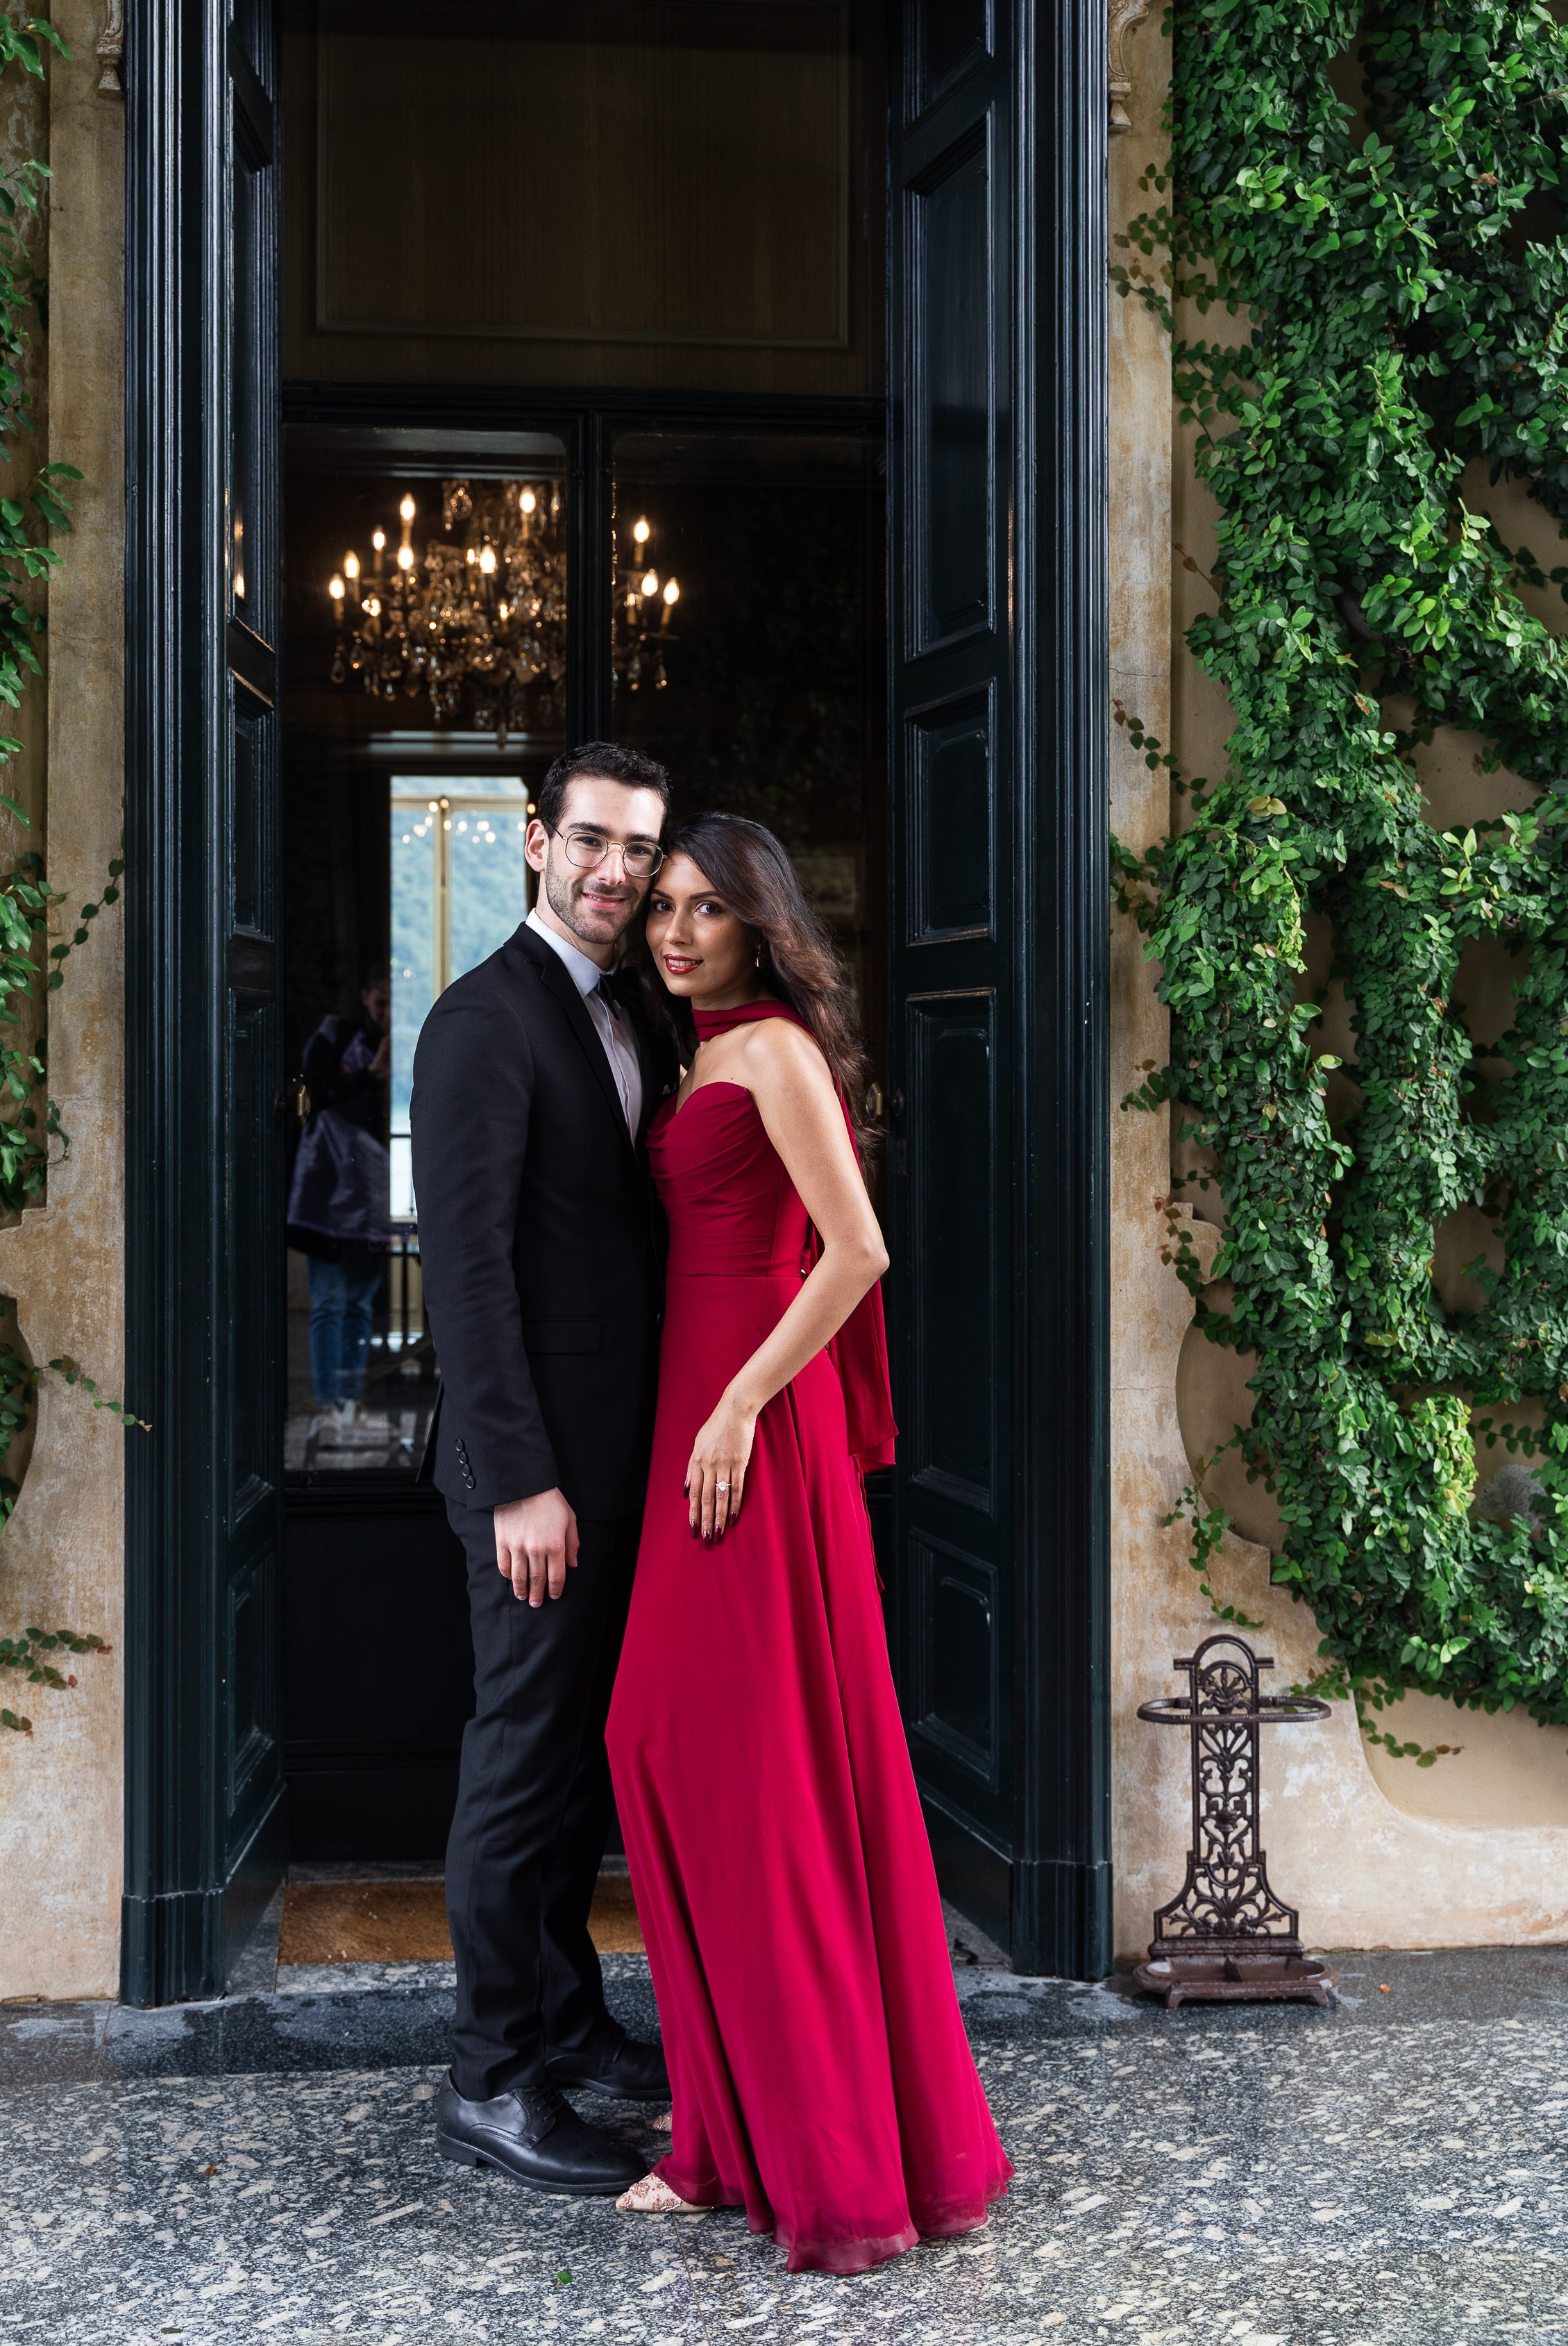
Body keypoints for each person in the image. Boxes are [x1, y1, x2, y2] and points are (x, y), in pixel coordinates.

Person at [606, 814, 1011, 2273]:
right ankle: (726, 2135)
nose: (674, 931)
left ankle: (806, 2153)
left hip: (746, 1435)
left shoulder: (768, 1047)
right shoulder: (699, 1051)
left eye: (706, 909)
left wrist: (735, 1408)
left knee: (746, 1774)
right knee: (665, 1747)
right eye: (661, 906)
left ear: (757, 924)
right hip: (696, 1420)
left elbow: (857, 1253)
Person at [412, 742, 683, 2197]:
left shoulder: (629, 1002)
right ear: (533, 842)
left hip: (620, 1464)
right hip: (533, 1480)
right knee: (520, 1770)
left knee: (578, 1770)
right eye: (589, 840)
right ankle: (491, 2075)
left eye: (638, 851)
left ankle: (566, 2021)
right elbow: (461, 1269)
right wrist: (521, 1479)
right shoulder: (480, 1020)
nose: (613, 872)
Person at [287, 964, 394, 1440]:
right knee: (329, 1301)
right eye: (381, 1003)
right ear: (366, 993)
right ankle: (330, 1404)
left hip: (375, 1194)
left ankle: (352, 1399)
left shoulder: (415, 1042)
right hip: (328, 1192)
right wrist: (368, 1076)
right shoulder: (337, 1035)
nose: (388, 1014)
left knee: (361, 1304)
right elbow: (311, 1095)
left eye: (395, 1005)